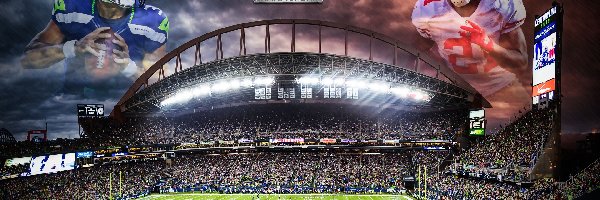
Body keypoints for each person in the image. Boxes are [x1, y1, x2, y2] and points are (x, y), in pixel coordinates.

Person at [411, 0, 530, 129]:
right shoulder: (427, 9)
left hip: (503, 89)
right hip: (460, 97)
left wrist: (488, 45)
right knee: (469, 139)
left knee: (527, 128)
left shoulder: (501, 5)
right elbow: (423, 55)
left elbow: (521, 62)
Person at [21, 0, 168, 98]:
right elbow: (27, 59)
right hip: (72, 99)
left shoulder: (152, 20)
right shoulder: (73, 7)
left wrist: (128, 67)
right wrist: (73, 48)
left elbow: (161, 85)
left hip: (123, 103)